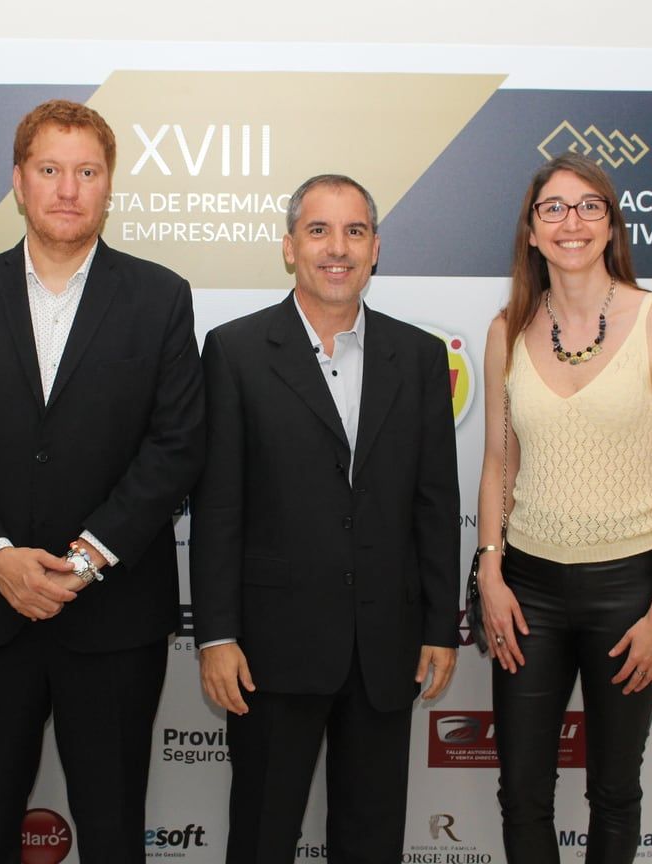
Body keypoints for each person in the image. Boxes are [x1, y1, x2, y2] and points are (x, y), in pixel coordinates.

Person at [0, 99, 205, 864]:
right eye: (49, 169)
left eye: (87, 172)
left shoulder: (161, 297)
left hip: (112, 620)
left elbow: (175, 445)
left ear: (109, 185)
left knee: (112, 836)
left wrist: (85, 561)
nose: (68, 189)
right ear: (18, 182)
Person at [191, 174, 460, 864]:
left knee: (372, 841)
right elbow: (218, 506)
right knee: (261, 837)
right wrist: (216, 634)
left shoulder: (420, 357)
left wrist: (441, 626)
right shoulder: (234, 351)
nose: (337, 248)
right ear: (290, 247)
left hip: (385, 647)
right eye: (319, 231)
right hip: (270, 650)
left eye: (354, 231)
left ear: (375, 249)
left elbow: (434, 501)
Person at [475, 153, 652, 863]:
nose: (570, 222)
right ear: (531, 231)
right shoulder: (507, 329)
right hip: (528, 592)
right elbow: (499, 462)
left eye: (588, 206)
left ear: (610, 226)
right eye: (553, 208)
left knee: (613, 789)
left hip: (629, 593)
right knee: (522, 792)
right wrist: (489, 572)